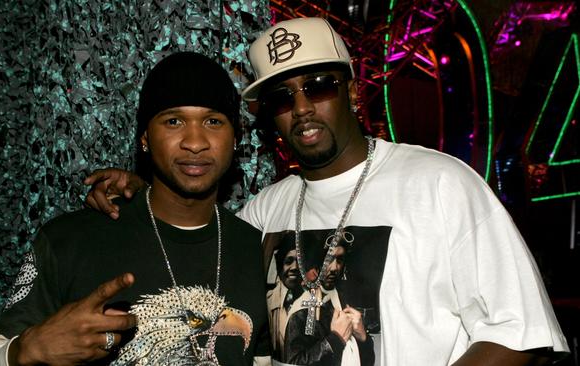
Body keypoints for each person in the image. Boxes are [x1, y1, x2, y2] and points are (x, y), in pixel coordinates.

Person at [83, 17, 569, 365]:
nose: (301, 108)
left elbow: (517, 333)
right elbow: (193, 244)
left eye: (318, 86)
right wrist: (146, 188)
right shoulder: (263, 211)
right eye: (280, 97)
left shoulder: (441, 184)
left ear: (352, 91)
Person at [0, 52, 270, 366]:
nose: (195, 142)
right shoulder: (69, 241)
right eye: (173, 121)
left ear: (235, 137)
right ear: (144, 137)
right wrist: (26, 351)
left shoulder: (255, 248)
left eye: (213, 121)